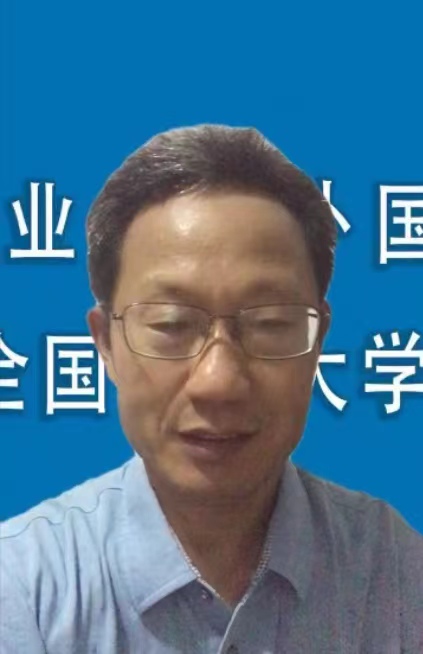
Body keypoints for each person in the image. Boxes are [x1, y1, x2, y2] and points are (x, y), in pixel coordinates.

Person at [1, 125, 422, 654]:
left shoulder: (395, 572)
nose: (219, 382)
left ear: (317, 341)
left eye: (270, 323)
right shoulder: (25, 591)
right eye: (172, 324)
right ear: (106, 342)